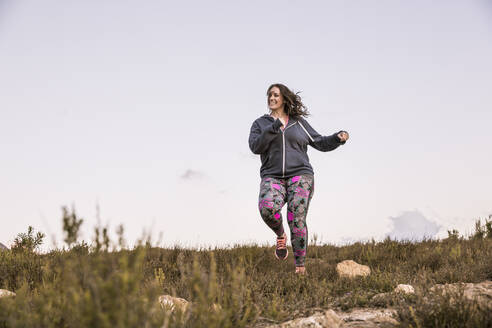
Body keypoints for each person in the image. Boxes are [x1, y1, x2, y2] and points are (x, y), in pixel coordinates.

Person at [248, 83, 349, 275]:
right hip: (272, 176)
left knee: (296, 217)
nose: (272, 98)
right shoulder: (260, 124)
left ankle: (300, 268)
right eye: (269, 95)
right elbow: (255, 147)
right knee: (267, 209)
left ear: (284, 99)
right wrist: (273, 127)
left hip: (300, 174)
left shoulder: (298, 122)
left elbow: (320, 141)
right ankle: (280, 235)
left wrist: (337, 138)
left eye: (276, 95)